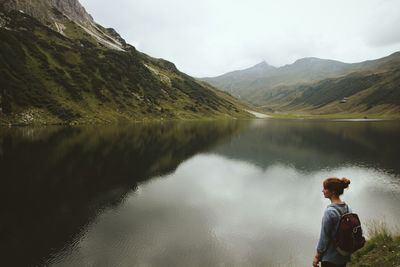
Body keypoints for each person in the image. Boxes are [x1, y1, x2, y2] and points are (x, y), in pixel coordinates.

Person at [313, 177, 352, 267]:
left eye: (325, 188)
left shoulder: (329, 212)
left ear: (333, 191)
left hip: (330, 259)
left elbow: (324, 238)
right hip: (343, 255)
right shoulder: (348, 208)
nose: (322, 191)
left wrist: (317, 257)